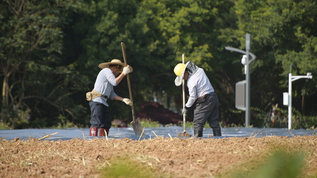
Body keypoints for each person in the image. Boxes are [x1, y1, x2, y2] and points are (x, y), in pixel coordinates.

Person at [173, 61, 222, 137]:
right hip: (213, 98)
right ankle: (218, 138)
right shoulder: (200, 71)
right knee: (214, 121)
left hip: (205, 100)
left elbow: (193, 96)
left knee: (198, 121)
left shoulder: (191, 82)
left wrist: (186, 107)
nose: (183, 79)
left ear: (186, 72)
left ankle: (197, 138)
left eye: (183, 76)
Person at [87, 59, 133, 136]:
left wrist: (123, 99)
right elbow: (114, 82)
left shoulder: (109, 78)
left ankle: (103, 139)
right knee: (96, 121)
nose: (118, 73)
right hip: (97, 100)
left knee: (106, 122)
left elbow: (111, 94)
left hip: (103, 101)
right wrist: (124, 73)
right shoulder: (106, 71)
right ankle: (92, 140)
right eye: (119, 71)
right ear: (115, 67)